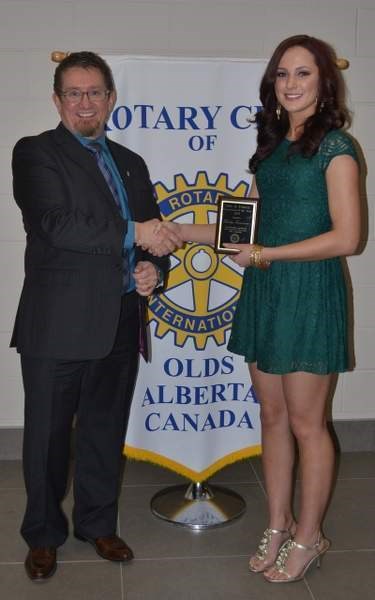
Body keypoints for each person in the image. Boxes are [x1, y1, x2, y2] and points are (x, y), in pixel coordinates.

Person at [166, 34, 361, 583]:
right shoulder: (271, 146)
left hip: (307, 292)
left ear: (324, 84)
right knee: (271, 416)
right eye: (283, 74)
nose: (292, 84)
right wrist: (180, 231)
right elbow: (246, 226)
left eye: (303, 74)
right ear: (272, 84)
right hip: (267, 290)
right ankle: (278, 524)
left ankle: (309, 534)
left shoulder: (337, 148)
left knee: (306, 423)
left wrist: (265, 254)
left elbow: (347, 237)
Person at [11, 51, 182, 582]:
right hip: (56, 326)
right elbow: (58, 225)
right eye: (74, 93)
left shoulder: (130, 161)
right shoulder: (35, 153)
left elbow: (155, 237)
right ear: (58, 100)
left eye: (95, 92)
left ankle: (96, 524)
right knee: (46, 439)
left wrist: (154, 269)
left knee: (104, 433)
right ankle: (42, 534)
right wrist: (138, 236)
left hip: (119, 321)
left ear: (110, 98)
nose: (86, 102)